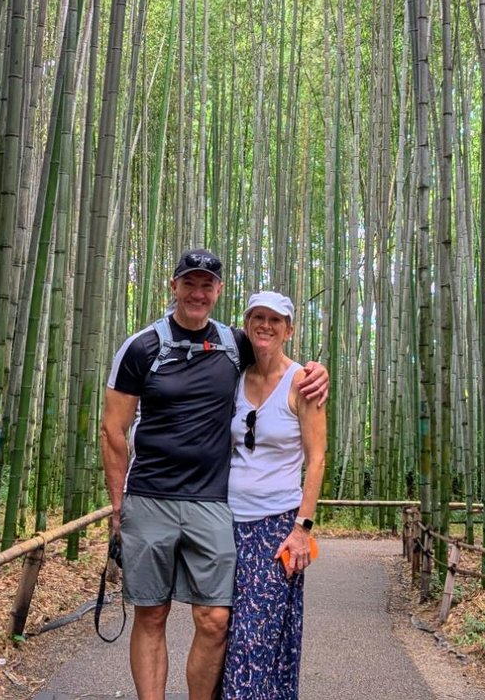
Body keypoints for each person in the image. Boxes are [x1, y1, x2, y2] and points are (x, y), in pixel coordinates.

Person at [100, 249, 328, 700]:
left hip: (211, 504)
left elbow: (276, 355)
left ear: (218, 291)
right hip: (150, 498)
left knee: (215, 619)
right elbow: (112, 429)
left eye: (207, 285)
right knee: (152, 613)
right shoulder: (142, 346)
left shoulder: (232, 344)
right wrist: (117, 508)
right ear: (174, 286)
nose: (198, 292)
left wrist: (318, 372)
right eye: (190, 283)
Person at [220, 290, 326, 700]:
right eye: (257, 317)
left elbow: (316, 459)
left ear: (289, 330)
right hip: (227, 522)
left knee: (257, 637)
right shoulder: (234, 376)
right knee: (224, 629)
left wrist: (303, 528)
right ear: (247, 324)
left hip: (277, 525)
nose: (265, 325)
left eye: (275, 320)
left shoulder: (302, 382)